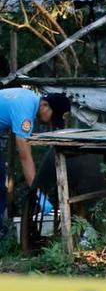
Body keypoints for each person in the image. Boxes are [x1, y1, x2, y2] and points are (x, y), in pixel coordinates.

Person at [0, 88, 71, 222]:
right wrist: (39, 195)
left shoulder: (28, 98)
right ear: (44, 105)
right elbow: (25, 157)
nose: (50, 121)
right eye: (52, 116)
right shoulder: (25, 114)